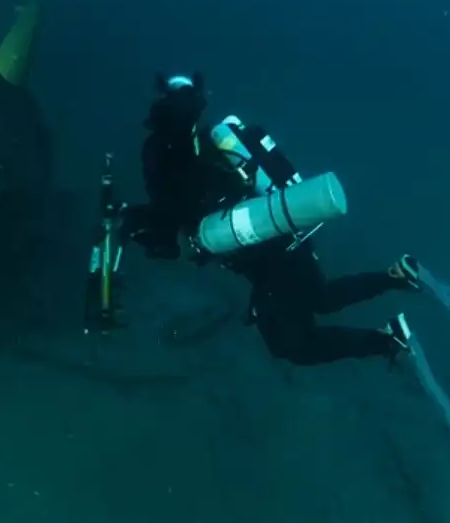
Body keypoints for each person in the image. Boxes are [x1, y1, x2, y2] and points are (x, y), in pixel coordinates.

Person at [124, 73, 418, 365]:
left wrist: (140, 225)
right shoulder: (216, 148)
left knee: (291, 344)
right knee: (320, 297)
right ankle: (395, 280)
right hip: (288, 224)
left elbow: (171, 229)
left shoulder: (177, 165)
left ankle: (386, 335)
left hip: (266, 248)